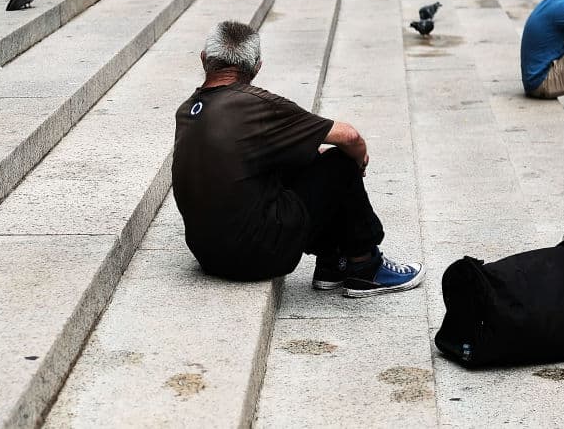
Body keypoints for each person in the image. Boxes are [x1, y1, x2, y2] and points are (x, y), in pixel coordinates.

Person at [172, 21, 425, 297]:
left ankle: (333, 261)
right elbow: (350, 138)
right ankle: (367, 266)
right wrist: (358, 161)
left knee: (302, 158)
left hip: (208, 254)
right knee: (339, 163)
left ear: (204, 58)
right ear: (257, 67)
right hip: (254, 258)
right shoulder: (256, 104)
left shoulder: (187, 110)